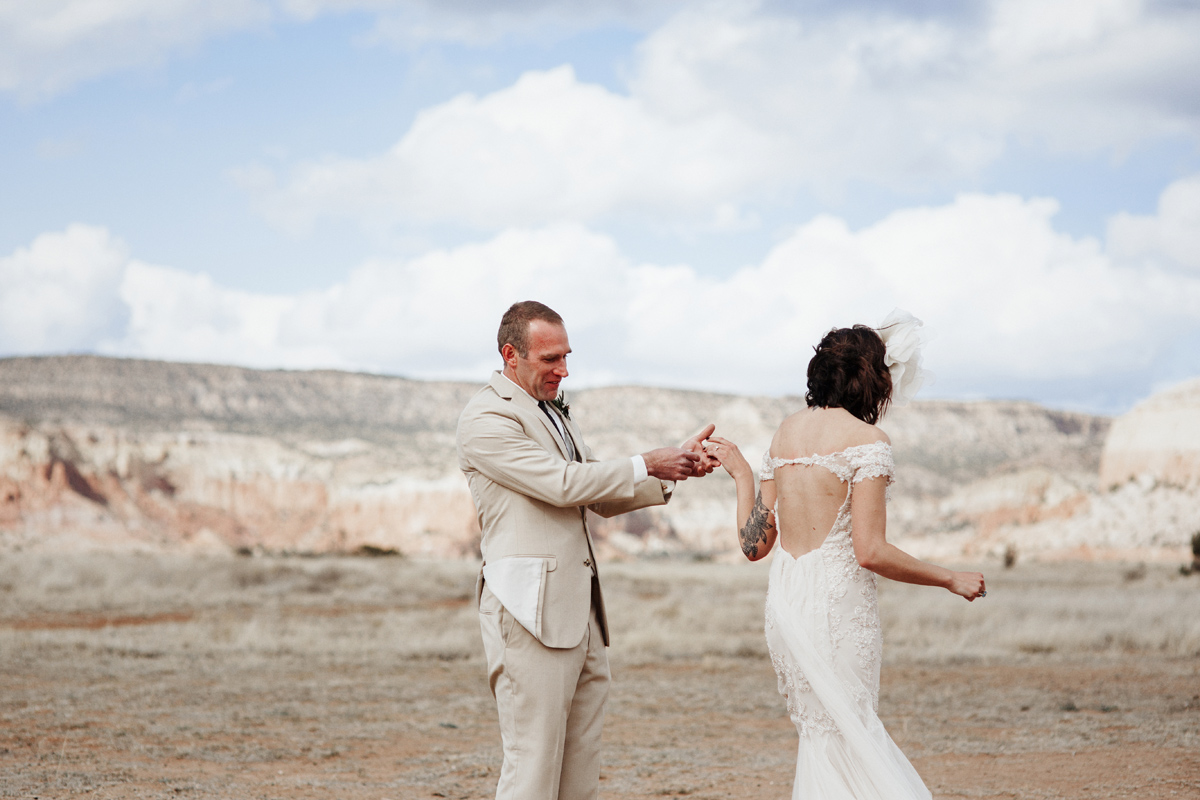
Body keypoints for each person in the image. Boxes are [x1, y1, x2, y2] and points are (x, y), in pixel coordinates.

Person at [703, 312, 985, 800]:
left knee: (822, 735)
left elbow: (755, 547)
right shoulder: (868, 442)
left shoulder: (784, 433)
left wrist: (743, 476)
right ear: (870, 379)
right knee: (851, 730)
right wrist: (949, 578)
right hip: (838, 607)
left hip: (789, 604)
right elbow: (870, 551)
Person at [456, 300, 717, 800]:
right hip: (528, 613)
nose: (564, 369)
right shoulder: (486, 418)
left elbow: (593, 493)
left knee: (580, 764)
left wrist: (674, 468)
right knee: (532, 764)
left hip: (581, 614)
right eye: (550, 358)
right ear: (511, 354)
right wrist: (646, 461)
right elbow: (560, 483)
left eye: (566, 356)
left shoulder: (553, 412)